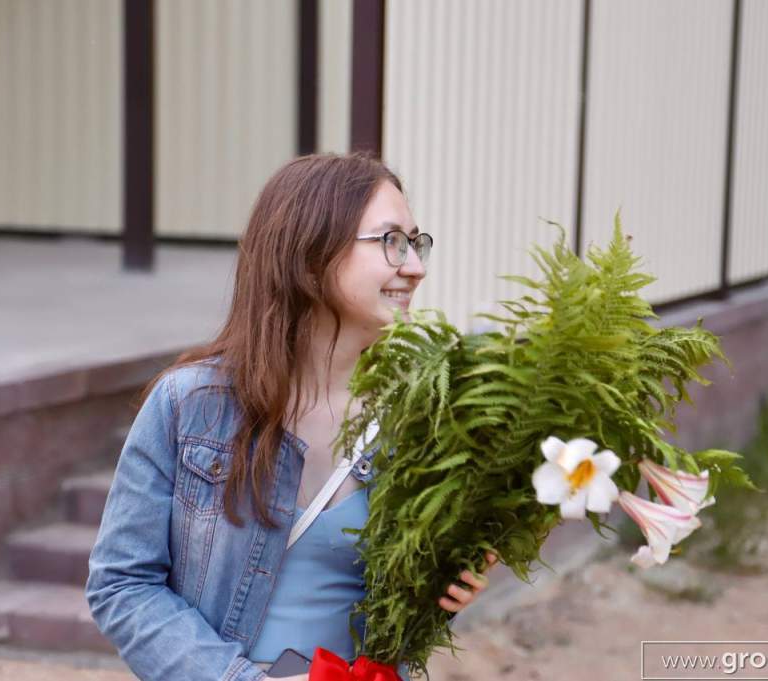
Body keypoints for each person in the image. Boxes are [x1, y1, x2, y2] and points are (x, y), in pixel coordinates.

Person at [85, 152, 497, 681]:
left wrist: (443, 589)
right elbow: (122, 584)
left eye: (416, 243)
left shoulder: (420, 415)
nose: (415, 266)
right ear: (309, 256)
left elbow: (398, 620)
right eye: (392, 241)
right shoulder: (190, 404)